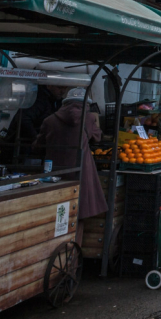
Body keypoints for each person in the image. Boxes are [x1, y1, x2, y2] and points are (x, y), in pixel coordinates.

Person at [34, 87, 107, 220]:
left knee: (55, 214)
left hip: (54, 172)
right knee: (80, 211)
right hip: (80, 170)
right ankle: (76, 239)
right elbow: (97, 137)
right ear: (86, 104)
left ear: (65, 103)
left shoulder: (49, 120)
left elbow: (38, 145)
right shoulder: (89, 118)